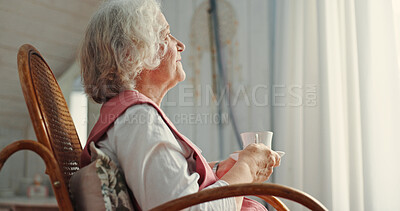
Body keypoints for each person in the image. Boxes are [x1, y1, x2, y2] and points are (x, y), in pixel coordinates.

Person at [79, 0, 281, 210]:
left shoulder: (133, 119)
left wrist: (221, 169)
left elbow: (175, 188)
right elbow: (188, 208)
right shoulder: (138, 121)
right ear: (132, 53)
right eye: (166, 35)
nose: (181, 45)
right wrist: (247, 166)